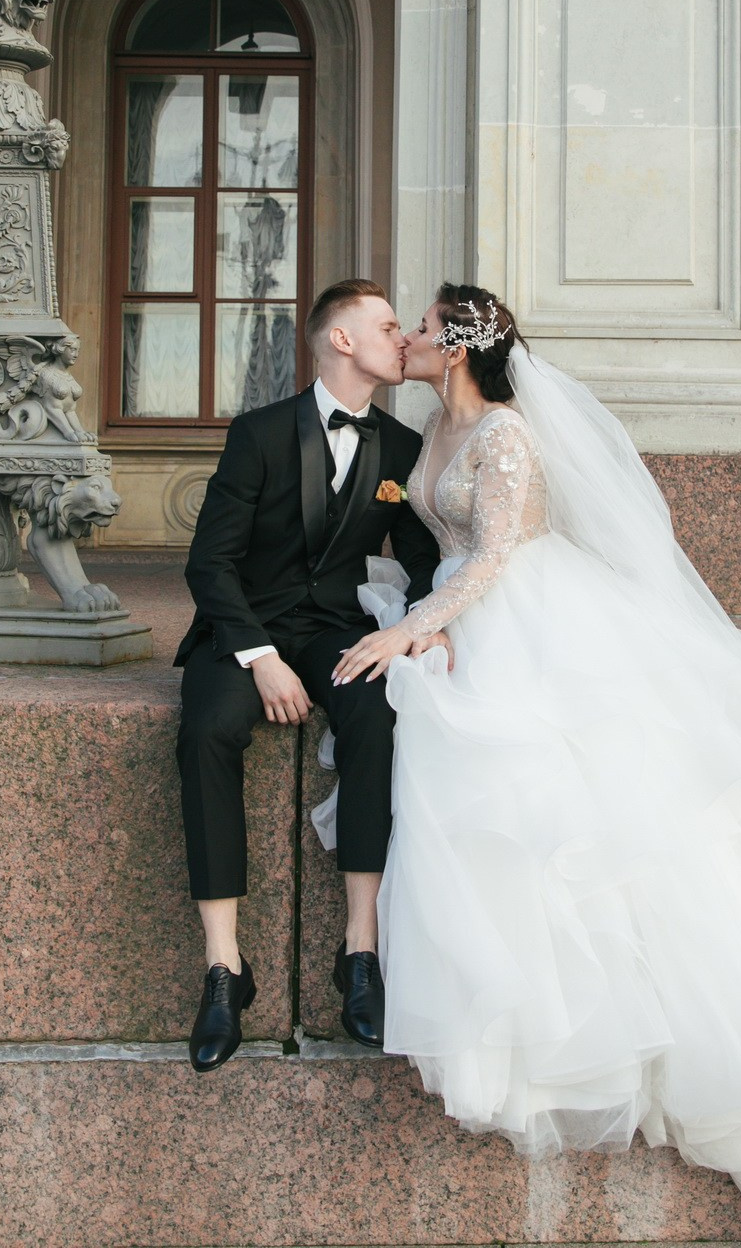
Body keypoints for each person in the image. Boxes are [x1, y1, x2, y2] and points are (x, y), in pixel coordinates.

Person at [332, 282, 741, 1245]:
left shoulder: (507, 437)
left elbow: (494, 561)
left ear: (466, 345)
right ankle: (530, 1039)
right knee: (474, 800)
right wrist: (408, 618)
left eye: (429, 327)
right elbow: (434, 547)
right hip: (460, 622)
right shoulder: (430, 433)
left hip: (526, 622)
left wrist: (413, 630)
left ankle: (739, 1109)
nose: (415, 338)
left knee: (603, 836)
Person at [175, 278, 440, 1071]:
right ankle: (224, 967)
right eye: (389, 326)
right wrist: (259, 659)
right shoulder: (258, 433)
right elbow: (209, 562)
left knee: (376, 716)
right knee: (207, 732)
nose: (404, 339)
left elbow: (425, 563)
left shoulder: (401, 450)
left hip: (337, 632)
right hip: (243, 631)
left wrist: (414, 631)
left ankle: (360, 949)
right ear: (342, 341)